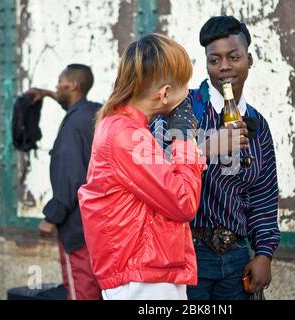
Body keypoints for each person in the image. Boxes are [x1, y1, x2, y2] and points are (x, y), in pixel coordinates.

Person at [152, 16, 280, 300]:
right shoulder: (181, 110)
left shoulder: (257, 122)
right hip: (185, 255)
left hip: (236, 260)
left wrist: (263, 254)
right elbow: (154, 171)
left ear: (249, 58)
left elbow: (263, 195)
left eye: (233, 57)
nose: (224, 66)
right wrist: (206, 146)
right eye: (214, 60)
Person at [77, 33, 206, 300]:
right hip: (142, 277)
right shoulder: (126, 134)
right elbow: (183, 201)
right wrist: (182, 136)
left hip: (142, 270)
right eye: (185, 86)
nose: (188, 94)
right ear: (166, 93)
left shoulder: (123, 126)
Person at [27, 64, 102, 300]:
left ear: (73, 86)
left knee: (81, 291)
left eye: (60, 82)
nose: (56, 86)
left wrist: (51, 218)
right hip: (100, 224)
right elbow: (73, 109)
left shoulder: (71, 127)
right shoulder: (95, 114)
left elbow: (70, 178)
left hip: (77, 228)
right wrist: (48, 95)